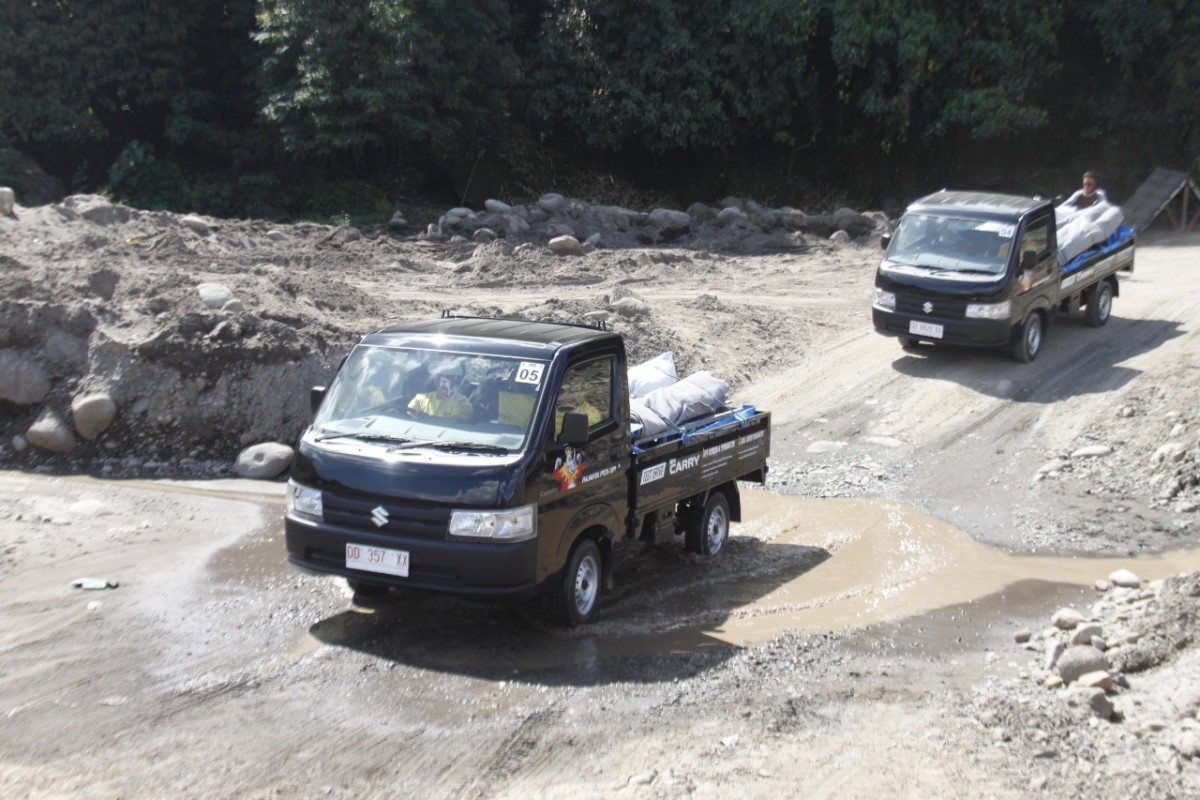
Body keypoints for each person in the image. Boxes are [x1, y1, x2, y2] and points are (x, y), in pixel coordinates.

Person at [407, 364, 474, 423]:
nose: (439, 379)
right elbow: (407, 417)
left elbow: (454, 424)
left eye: (445, 376)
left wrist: (423, 417)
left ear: (454, 380)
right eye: (437, 375)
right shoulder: (420, 398)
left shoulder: (462, 403)